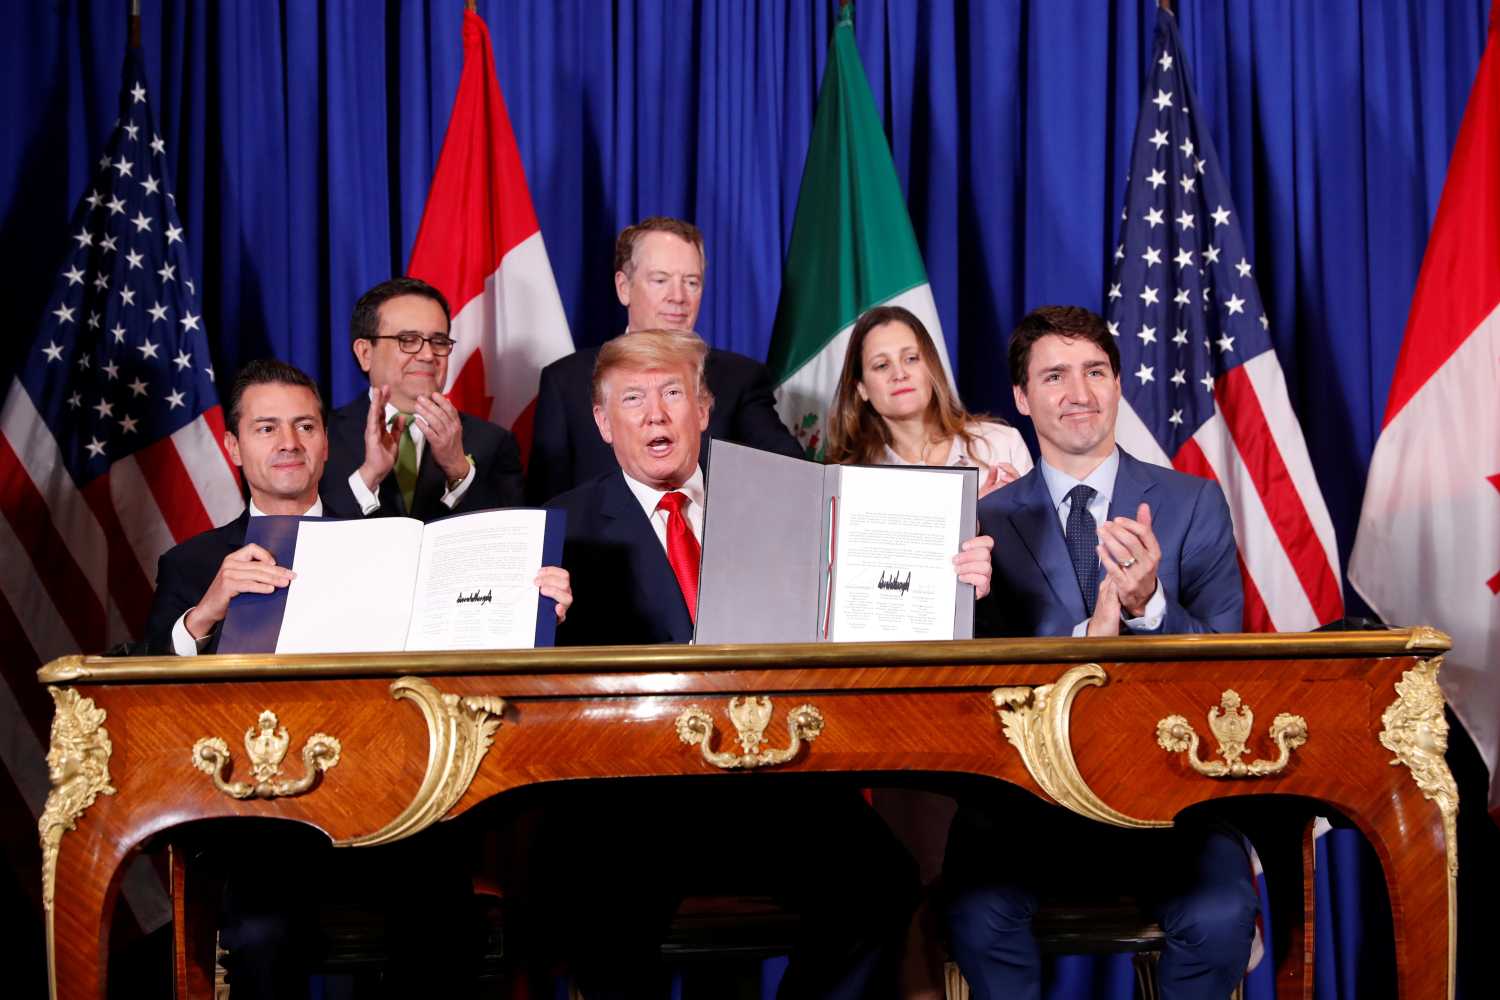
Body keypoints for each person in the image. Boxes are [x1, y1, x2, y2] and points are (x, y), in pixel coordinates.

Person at [537, 329, 992, 998]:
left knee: (883, 883)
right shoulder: (560, 526)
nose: (656, 414)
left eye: (673, 394)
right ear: (604, 422)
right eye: (632, 399)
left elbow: (859, 602)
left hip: (773, 783)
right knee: (594, 909)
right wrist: (546, 626)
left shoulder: (787, 501)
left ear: (704, 407)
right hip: (634, 800)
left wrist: (951, 579)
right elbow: (539, 687)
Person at [943, 306, 1255, 1000]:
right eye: (1054, 376)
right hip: (1026, 806)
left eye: (1094, 372)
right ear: (1023, 398)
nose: (1078, 392)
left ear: (1118, 384)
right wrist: (962, 611)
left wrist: (1150, 611)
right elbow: (957, 693)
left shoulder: (1194, 503)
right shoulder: (979, 522)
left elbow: (1230, 665)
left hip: (1167, 795)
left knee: (1224, 913)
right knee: (977, 913)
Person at [525, 216, 803, 504]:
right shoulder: (566, 382)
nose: (678, 296)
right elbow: (546, 508)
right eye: (660, 280)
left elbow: (792, 473)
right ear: (624, 287)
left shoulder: (740, 379)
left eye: (691, 282)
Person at [320, 276, 524, 520]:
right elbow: (308, 530)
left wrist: (458, 471)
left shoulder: (493, 442)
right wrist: (369, 475)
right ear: (365, 353)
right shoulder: (323, 435)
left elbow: (510, 540)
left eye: (439, 341)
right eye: (408, 340)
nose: (428, 355)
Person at [826, 304, 1032, 496]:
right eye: (881, 365)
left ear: (931, 367)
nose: (899, 373)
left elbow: (1038, 534)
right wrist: (976, 514)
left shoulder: (1002, 444)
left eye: (911, 358)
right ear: (861, 388)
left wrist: (1011, 516)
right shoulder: (849, 484)